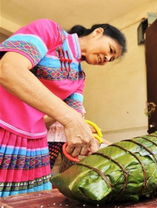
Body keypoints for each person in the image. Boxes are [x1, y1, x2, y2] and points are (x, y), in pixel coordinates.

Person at [0, 18, 127, 196]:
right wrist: (70, 118)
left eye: (111, 59)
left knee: (28, 200)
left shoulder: (79, 77)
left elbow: (71, 117)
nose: (106, 59)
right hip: (3, 127)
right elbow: (9, 70)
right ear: (98, 32)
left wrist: (94, 141)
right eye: (110, 50)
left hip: (33, 142)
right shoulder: (50, 31)